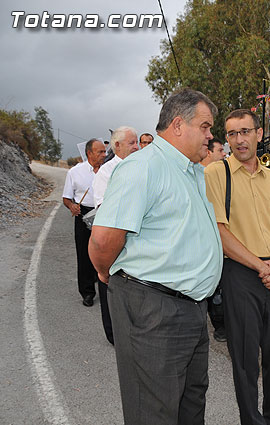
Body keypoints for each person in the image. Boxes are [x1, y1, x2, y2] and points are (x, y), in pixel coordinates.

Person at [88, 88, 223, 425]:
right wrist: (107, 274)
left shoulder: (192, 171)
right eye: (205, 126)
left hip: (191, 308)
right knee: (154, 412)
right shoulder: (144, 167)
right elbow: (103, 241)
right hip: (154, 309)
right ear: (178, 125)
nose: (210, 135)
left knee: (190, 406)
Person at [204, 109, 270, 425]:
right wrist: (261, 265)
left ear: (259, 134)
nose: (238, 140)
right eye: (231, 134)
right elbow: (220, 231)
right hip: (241, 275)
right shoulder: (216, 175)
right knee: (245, 361)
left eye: (245, 131)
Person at [91, 126, 139, 345]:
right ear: (117, 145)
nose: (137, 146)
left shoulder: (142, 167)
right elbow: (103, 208)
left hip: (137, 242)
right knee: (110, 288)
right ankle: (113, 335)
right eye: (132, 143)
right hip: (114, 240)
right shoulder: (106, 172)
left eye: (137, 142)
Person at [62, 138, 106, 307]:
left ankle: (105, 288)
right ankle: (87, 292)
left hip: (105, 212)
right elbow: (66, 198)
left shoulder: (110, 170)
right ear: (89, 153)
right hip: (84, 214)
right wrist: (71, 206)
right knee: (84, 253)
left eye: (104, 151)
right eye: (100, 152)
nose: (104, 155)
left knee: (106, 251)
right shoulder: (75, 172)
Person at [200, 138, 228, 343]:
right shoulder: (196, 175)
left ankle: (224, 324)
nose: (224, 154)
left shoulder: (225, 176)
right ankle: (218, 324)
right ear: (209, 153)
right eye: (220, 150)